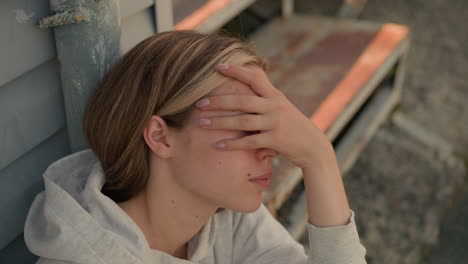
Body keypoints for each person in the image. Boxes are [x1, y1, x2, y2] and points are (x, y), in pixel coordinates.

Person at [24, 30, 367, 264]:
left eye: (265, 126)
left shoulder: (225, 220)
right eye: (244, 124)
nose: (270, 149)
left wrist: (319, 157)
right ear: (160, 136)